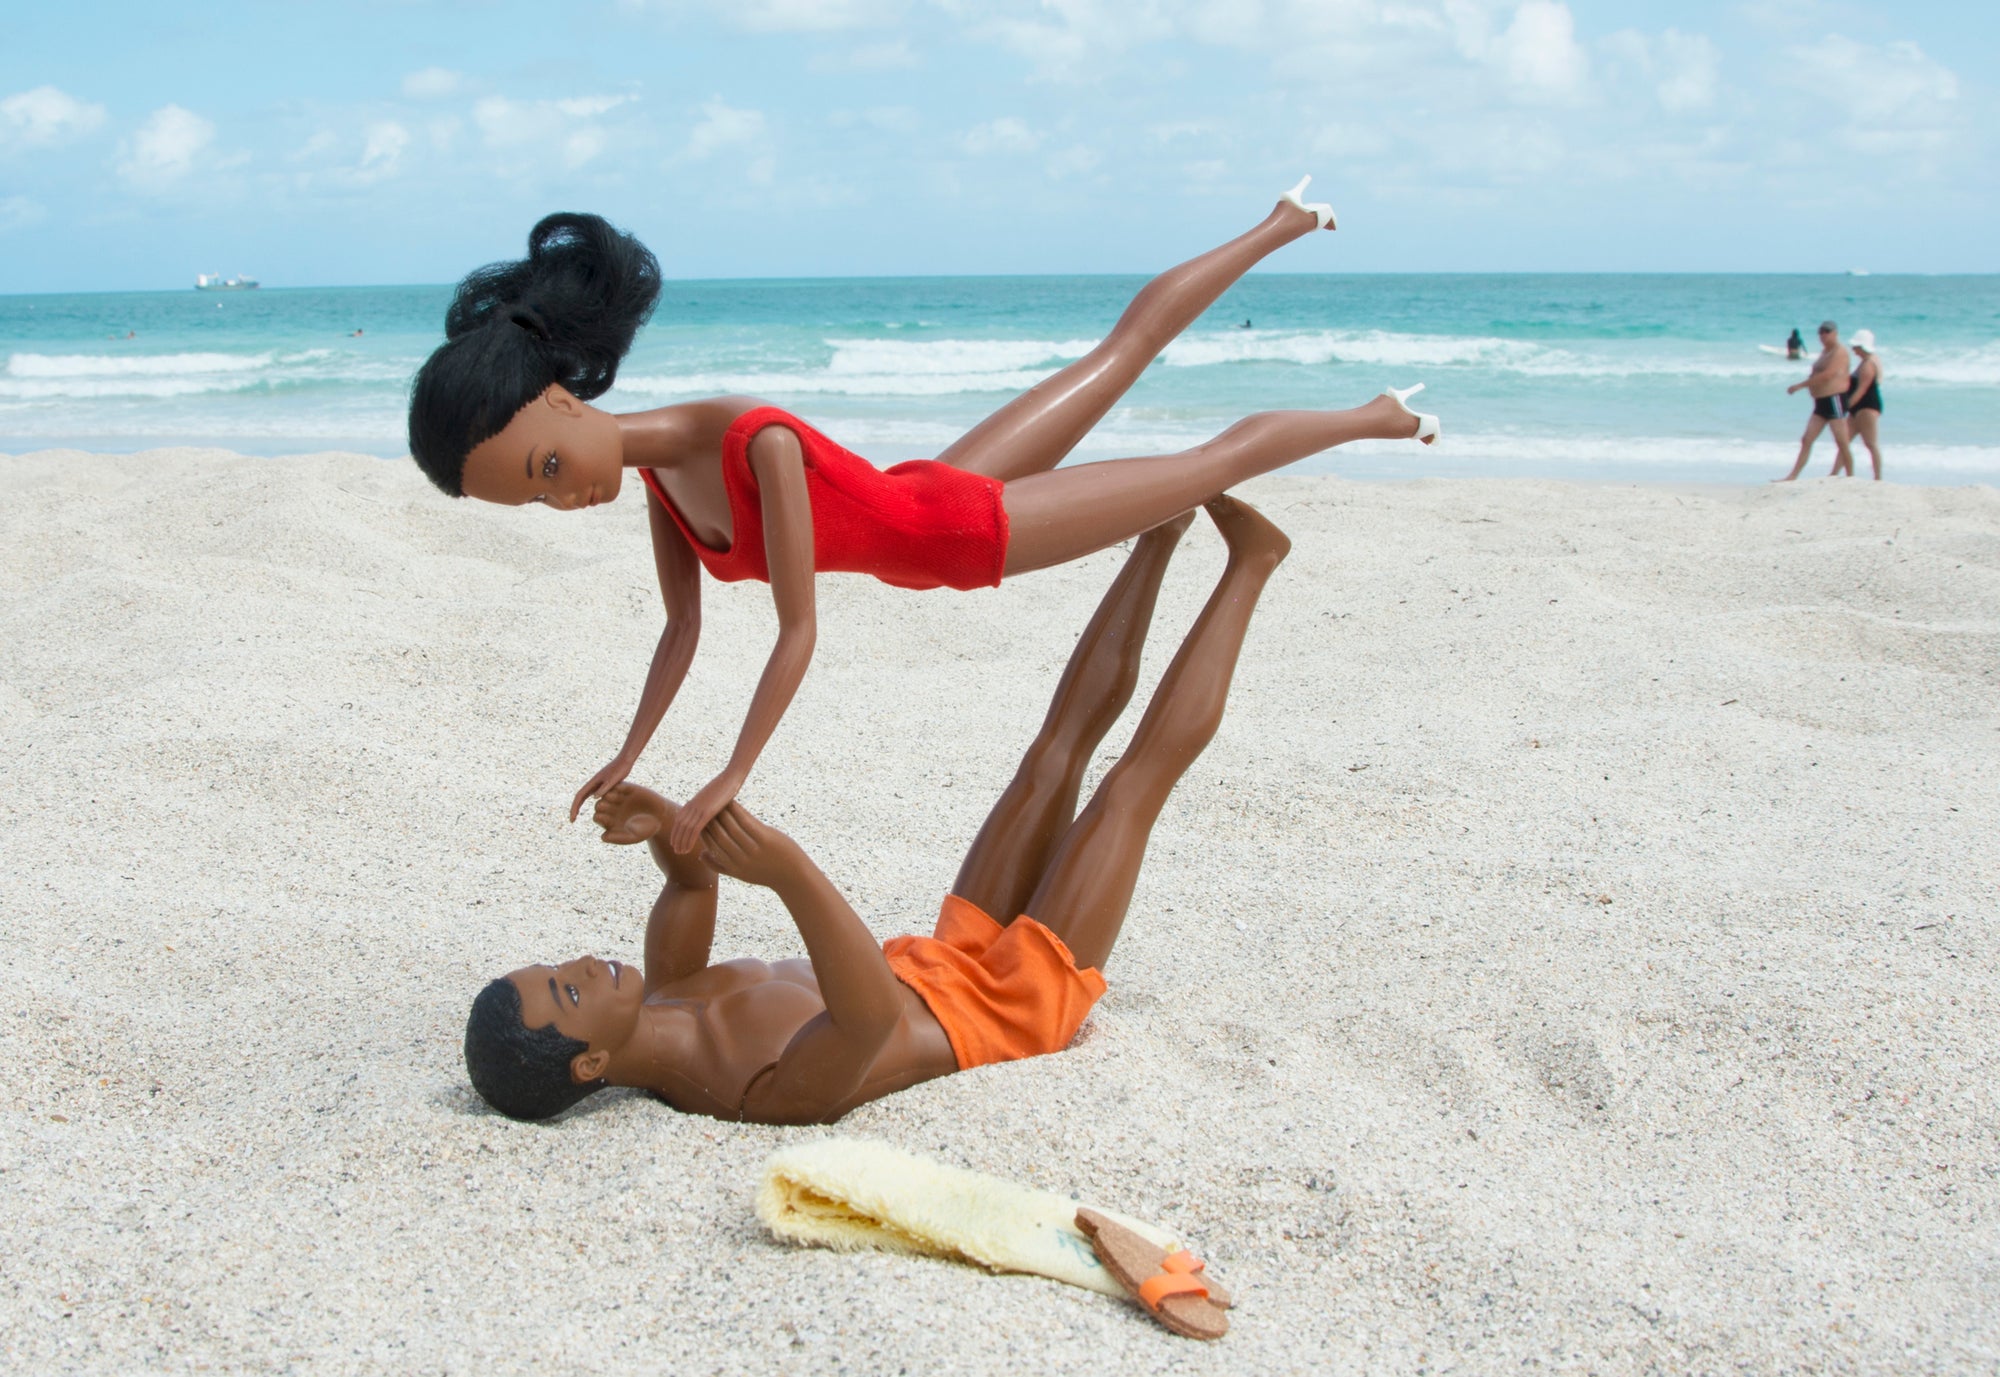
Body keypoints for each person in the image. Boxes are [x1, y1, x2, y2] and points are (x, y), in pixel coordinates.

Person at [407, 181, 1440, 853]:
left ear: (557, 395)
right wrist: (632, 754)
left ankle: (1366, 407)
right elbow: (682, 631)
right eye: (537, 497)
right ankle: (1286, 223)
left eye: (545, 464)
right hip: (927, 495)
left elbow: (798, 630)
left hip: (970, 533)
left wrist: (730, 772)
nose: (562, 492)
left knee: (1197, 449)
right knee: (1108, 362)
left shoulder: (742, 439)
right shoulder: (660, 487)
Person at [463, 496, 1288, 1125]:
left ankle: (1159, 536)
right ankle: (1251, 564)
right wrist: (788, 870)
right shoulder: (746, 1091)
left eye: (553, 967)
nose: (576, 966)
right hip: (1006, 1012)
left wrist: (666, 822)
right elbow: (869, 1017)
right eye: (567, 994)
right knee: (1130, 788)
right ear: (589, 1064)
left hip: (938, 955)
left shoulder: (668, 993)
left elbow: (690, 890)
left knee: (1048, 757)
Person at [1777, 320, 1854, 481]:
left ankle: (1850, 476)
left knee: (1842, 441)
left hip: (1834, 399)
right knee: (1807, 439)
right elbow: (1817, 373)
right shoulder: (1825, 352)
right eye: (1821, 332)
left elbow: (1828, 375)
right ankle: (1793, 476)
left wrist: (1801, 386)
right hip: (1820, 403)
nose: (1823, 335)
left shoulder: (1839, 352)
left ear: (1835, 333)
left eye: (1827, 331)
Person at [1843, 329, 1885, 481]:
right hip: (1858, 407)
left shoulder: (1868, 364)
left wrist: (1845, 407)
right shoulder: (1868, 361)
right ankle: (1837, 474)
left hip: (1866, 407)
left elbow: (1861, 390)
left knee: (1871, 443)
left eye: (1856, 347)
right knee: (1844, 442)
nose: (1853, 350)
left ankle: (1878, 478)